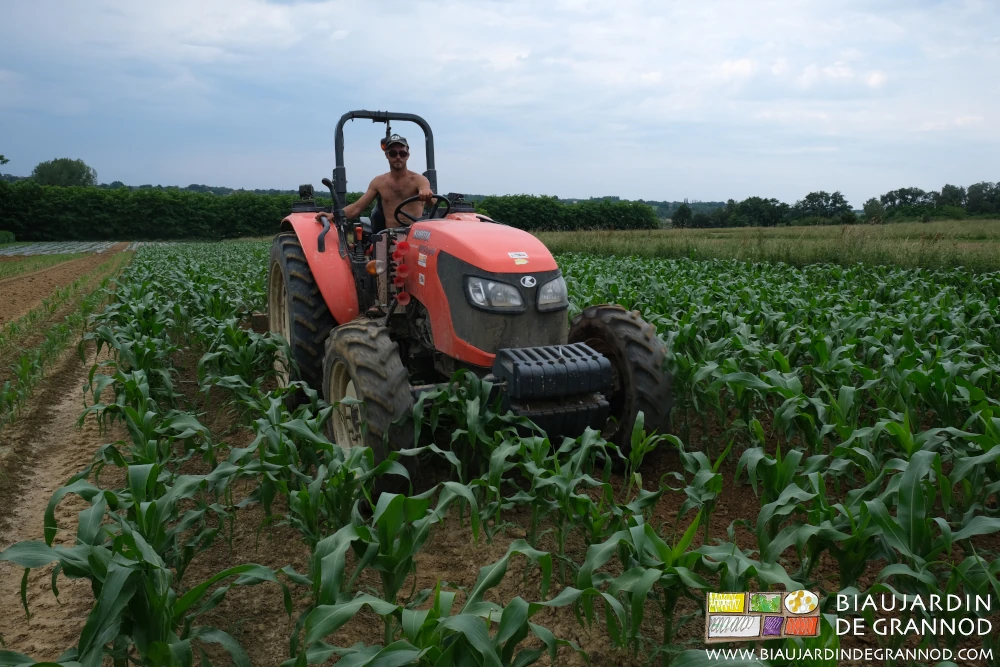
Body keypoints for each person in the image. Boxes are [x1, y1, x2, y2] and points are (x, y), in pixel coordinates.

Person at [323, 134, 434, 229]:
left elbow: (432, 202)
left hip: (417, 235)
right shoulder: (379, 182)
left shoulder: (419, 180)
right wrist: (333, 216)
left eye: (402, 153)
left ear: (407, 156)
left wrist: (427, 194)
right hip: (390, 236)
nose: (398, 157)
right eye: (393, 153)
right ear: (387, 155)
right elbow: (357, 208)